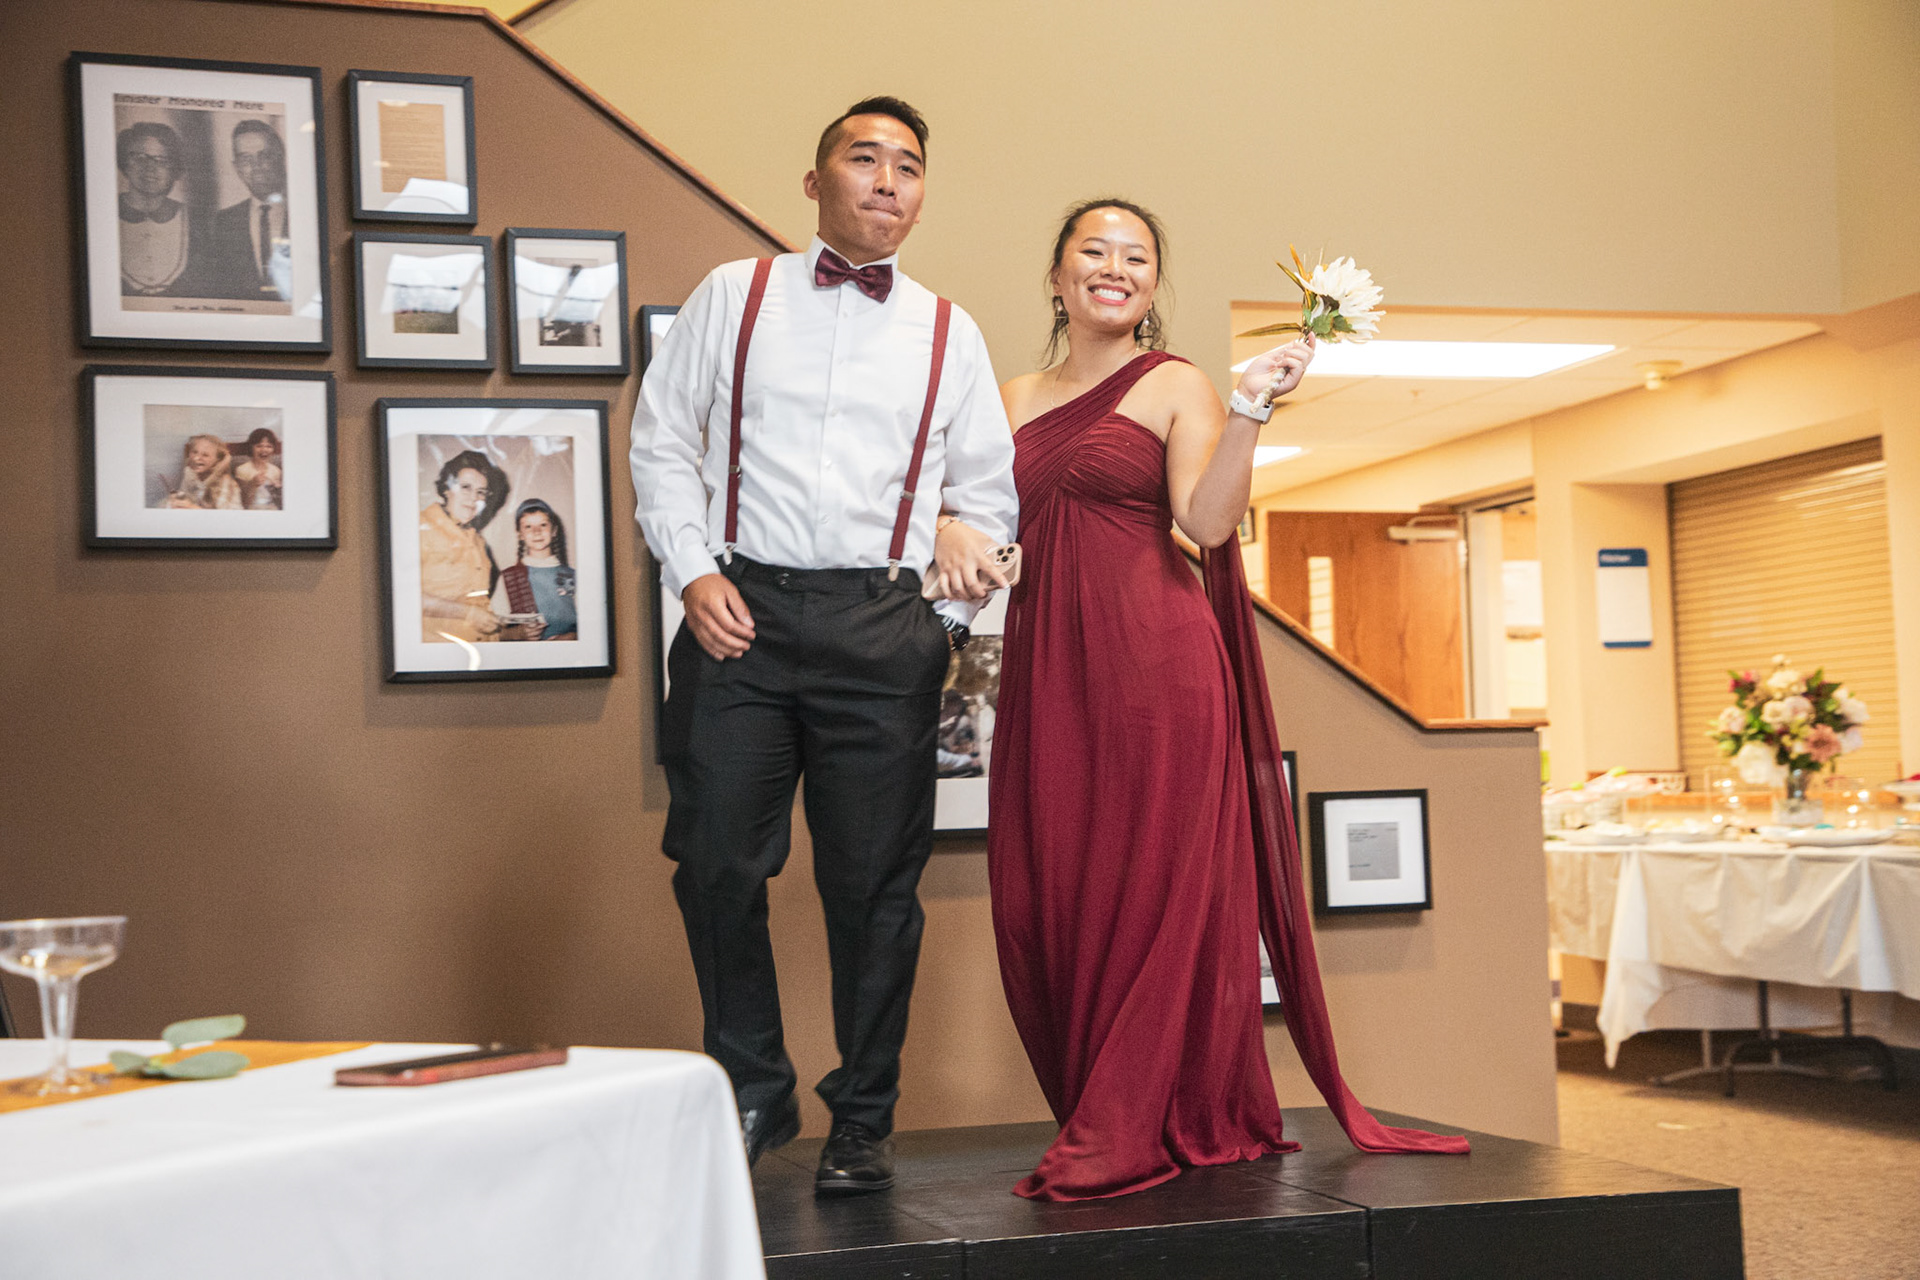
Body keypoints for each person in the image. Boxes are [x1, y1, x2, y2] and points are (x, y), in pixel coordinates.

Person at [978, 198, 1469, 1201]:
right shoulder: (1012, 394)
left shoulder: (1176, 384)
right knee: (1049, 891)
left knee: (1153, 890)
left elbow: (1204, 523)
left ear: (1153, 285)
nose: (1115, 267)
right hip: (1047, 667)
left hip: (1157, 669)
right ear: (1059, 277)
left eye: (1137, 256)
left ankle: (1135, 1117)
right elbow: (987, 525)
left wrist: (1250, 409)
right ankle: (1106, 1101)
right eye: (1094, 251)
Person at [630, 96, 1018, 1196]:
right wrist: (692, 571)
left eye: (908, 166)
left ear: (921, 194)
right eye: (865, 158)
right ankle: (754, 1079)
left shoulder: (949, 331)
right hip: (739, 615)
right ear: (816, 182)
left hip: (881, 628)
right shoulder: (734, 294)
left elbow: (990, 499)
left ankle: (862, 1117)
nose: (888, 180)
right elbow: (661, 441)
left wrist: (937, 630)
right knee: (715, 860)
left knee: (874, 887)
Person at [419, 449, 507, 644]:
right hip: (439, 651)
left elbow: (477, 602)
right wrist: (468, 613)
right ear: (446, 488)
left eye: (481, 492)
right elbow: (403, 595)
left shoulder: (477, 540)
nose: (474, 498)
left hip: (478, 650)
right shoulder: (420, 527)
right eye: (466, 487)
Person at [209, 119, 291, 303]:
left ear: (280, 157)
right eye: (246, 159)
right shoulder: (225, 222)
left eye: (264, 156)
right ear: (237, 168)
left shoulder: (304, 214)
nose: (256, 166)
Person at [116, 122, 195, 297]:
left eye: (162, 161)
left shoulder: (196, 223)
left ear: (175, 170)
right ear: (125, 163)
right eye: (140, 157)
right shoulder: (103, 215)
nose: (150, 168)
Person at [493, 498, 577, 641]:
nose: (537, 531)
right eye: (528, 527)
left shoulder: (572, 576)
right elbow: (495, 630)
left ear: (554, 531)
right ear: (520, 534)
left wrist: (573, 636)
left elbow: (590, 624)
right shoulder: (509, 577)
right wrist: (517, 633)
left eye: (543, 525)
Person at [163, 433, 242, 510]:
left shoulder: (225, 483)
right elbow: (185, 499)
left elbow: (225, 517)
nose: (196, 458)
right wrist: (177, 500)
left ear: (217, 460)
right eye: (194, 452)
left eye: (205, 455)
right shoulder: (190, 476)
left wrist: (191, 507)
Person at [233, 426, 283, 511]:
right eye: (259, 446)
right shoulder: (242, 470)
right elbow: (243, 502)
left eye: (269, 446)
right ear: (251, 448)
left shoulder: (276, 470)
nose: (264, 450)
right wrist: (252, 485)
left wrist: (278, 491)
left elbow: (278, 501)